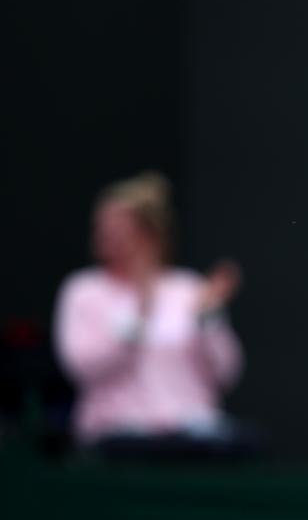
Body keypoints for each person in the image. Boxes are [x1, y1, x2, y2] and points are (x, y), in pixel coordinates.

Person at [53, 171, 247, 456]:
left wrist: (208, 318)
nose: (106, 236)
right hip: (116, 436)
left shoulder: (188, 289)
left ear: (149, 234)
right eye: (103, 226)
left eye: (118, 228)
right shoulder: (84, 291)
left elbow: (226, 373)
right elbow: (84, 367)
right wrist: (140, 316)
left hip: (191, 436)